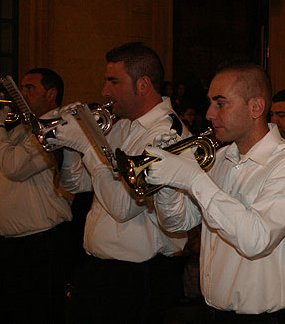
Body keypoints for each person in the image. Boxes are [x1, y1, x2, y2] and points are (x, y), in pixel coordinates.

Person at [144, 63, 285, 322]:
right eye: (210, 103)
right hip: (213, 311)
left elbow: (257, 240)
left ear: (256, 108)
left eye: (221, 103)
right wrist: (167, 183)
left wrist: (192, 178)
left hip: (269, 317)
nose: (209, 114)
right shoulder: (219, 159)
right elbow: (177, 223)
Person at [49, 42, 188, 323]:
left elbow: (124, 206)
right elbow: (78, 184)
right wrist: (69, 145)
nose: (104, 92)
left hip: (135, 276)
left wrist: (88, 148)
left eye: (114, 81)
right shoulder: (123, 125)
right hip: (99, 267)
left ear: (143, 84)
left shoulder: (167, 134)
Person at [0, 68, 74, 323]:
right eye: (21, 88)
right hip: (11, 244)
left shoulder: (58, 126)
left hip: (40, 243)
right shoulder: (22, 129)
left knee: (39, 312)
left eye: (30, 88)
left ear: (51, 94)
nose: (22, 94)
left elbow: (16, 168)